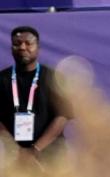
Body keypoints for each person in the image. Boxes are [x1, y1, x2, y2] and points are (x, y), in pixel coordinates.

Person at [0, 27, 72, 164]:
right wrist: (16, 150)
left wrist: (35, 150)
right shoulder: (2, 79)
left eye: (28, 43)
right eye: (17, 43)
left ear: (38, 48)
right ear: (11, 48)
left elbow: (62, 117)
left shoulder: (54, 77)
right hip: (14, 157)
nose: (22, 47)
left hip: (51, 154)